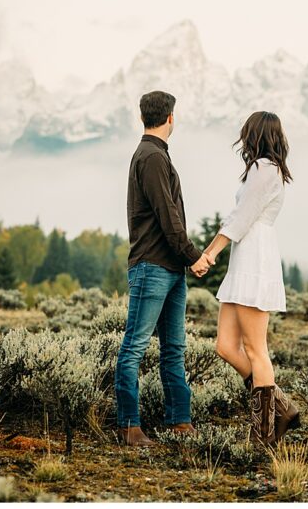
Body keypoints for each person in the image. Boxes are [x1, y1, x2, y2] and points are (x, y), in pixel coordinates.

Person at [193, 111, 300, 446]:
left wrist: (210, 254)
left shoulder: (264, 170)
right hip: (246, 257)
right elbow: (237, 217)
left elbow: (241, 217)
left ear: (254, 135)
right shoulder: (265, 171)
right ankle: (281, 407)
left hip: (255, 257)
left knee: (256, 349)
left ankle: (264, 434)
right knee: (225, 346)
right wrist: (213, 250)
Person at [115, 90, 213, 446]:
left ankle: (179, 421)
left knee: (174, 348)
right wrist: (193, 255)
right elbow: (168, 217)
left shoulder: (152, 155)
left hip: (169, 269)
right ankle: (129, 427)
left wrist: (183, 261)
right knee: (135, 346)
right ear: (171, 117)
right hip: (153, 267)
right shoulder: (152, 157)